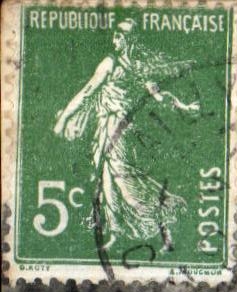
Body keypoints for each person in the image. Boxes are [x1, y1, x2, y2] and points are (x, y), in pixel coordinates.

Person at [53, 19, 199, 251]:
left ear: (131, 39)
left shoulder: (136, 67)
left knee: (125, 181)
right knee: (107, 180)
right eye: (115, 33)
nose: (116, 38)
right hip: (105, 126)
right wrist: (64, 119)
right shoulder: (109, 63)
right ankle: (116, 232)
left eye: (121, 34)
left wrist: (182, 106)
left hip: (121, 129)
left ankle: (165, 222)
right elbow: (87, 92)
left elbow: (158, 95)